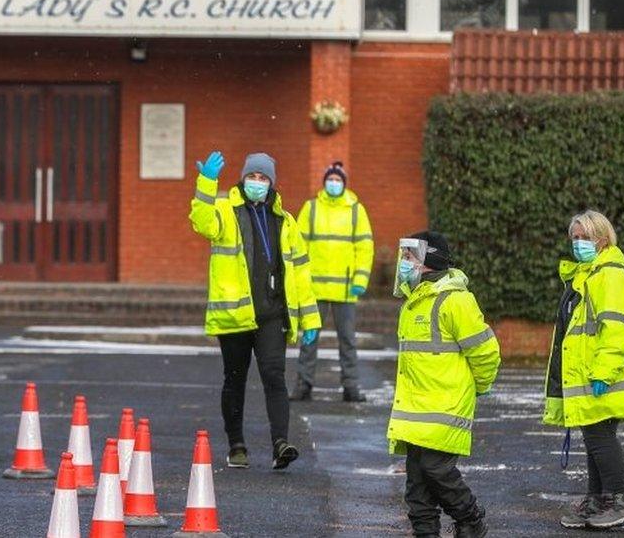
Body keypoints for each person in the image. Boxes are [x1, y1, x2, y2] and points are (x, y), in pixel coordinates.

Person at [189, 150, 322, 471]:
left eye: (263, 178)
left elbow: (300, 272)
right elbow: (201, 223)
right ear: (243, 178)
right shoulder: (225, 210)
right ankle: (236, 445)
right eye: (252, 177)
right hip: (235, 316)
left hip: (272, 314)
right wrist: (206, 182)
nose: (257, 183)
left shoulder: (285, 221)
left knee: (275, 378)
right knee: (234, 379)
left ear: (272, 183)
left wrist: (311, 317)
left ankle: (281, 443)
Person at [545, 210, 624, 529]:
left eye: (584, 238)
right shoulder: (588, 275)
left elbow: (616, 329)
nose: (578, 244)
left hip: (602, 376)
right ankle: (597, 499)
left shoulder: (610, 275)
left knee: (600, 438)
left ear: (602, 240)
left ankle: (616, 500)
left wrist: (604, 372)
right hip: (588, 376)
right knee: (594, 438)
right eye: (574, 238)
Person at [387, 231, 500, 538]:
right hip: (414, 409)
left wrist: (482, 384)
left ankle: (471, 517)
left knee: (436, 470)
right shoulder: (412, 303)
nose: (404, 263)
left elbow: (485, 350)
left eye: (410, 257)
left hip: (445, 406)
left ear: (429, 261)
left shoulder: (456, 301)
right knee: (417, 483)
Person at [290, 161, 374, 403]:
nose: (334, 183)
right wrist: (299, 281)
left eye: (338, 180)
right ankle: (303, 386)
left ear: (344, 184)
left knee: (347, 340)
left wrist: (360, 279)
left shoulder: (356, 210)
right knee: (309, 339)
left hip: (346, 289)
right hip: (314, 290)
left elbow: (364, 247)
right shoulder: (311, 208)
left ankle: (351, 387)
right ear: (324, 181)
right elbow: (298, 246)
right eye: (331, 179)